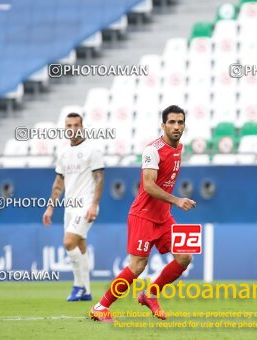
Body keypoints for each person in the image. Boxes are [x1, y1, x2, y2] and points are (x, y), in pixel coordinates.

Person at [90, 105, 196, 322]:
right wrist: (176, 200)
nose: (176, 126)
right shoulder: (152, 150)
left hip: (163, 216)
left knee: (185, 256)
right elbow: (148, 185)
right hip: (143, 215)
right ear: (163, 125)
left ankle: (150, 294)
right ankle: (101, 307)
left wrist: (170, 204)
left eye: (180, 122)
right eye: (172, 122)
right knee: (138, 266)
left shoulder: (179, 147)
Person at [43, 113, 105, 301]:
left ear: (82, 126)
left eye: (76, 125)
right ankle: (86, 291)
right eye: (69, 125)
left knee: (68, 242)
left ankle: (78, 285)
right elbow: (58, 183)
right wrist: (50, 207)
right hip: (70, 207)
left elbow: (100, 179)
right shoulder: (63, 153)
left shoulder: (92, 150)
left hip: (86, 206)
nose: (72, 129)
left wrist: (94, 204)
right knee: (79, 245)